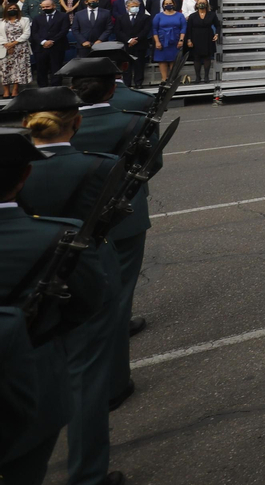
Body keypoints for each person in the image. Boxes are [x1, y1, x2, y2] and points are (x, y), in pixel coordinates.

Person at [9, 83, 127, 485]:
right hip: (80, 269)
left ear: (27, 125)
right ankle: (87, 476)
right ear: (76, 123)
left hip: (16, 286)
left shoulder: (16, 167)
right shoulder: (101, 165)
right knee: (86, 379)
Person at [61, 56, 160, 413]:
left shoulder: (63, 123)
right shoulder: (134, 116)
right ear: (113, 84)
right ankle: (115, 382)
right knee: (118, 296)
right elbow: (152, 164)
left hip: (73, 223)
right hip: (125, 216)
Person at [183, 0, 221, 82]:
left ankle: (206, 76)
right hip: (195, 37)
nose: (202, 4)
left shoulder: (212, 14)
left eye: (204, 3)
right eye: (200, 3)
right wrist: (189, 40)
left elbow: (218, 25)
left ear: (207, 4)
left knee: (207, 57)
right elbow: (189, 29)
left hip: (208, 36)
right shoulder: (192, 16)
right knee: (196, 58)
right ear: (196, 5)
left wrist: (217, 34)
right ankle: (198, 77)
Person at [150, 0, 186, 81]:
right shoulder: (158, 16)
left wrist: (181, 40)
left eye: (170, 3)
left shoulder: (180, 15)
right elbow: (154, 29)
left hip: (175, 40)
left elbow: (183, 28)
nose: (168, 5)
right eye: (166, 3)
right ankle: (164, 79)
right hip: (162, 40)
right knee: (162, 60)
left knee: (174, 60)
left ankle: (172, 79)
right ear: (163, 5)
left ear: (174, 4)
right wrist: (157, 42)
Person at [1, 4, 29, 97]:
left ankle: (15, 90)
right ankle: (6, 91)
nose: (12, 10)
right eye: (10, 8)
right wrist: (7, 45)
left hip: (20, 48)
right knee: (5, 70)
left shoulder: (25, 20)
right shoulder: (1, 21)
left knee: (19, 69)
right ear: (6, 10)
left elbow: (26, 34)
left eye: (14, 8)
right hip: (5, 48)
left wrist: (13, 43)